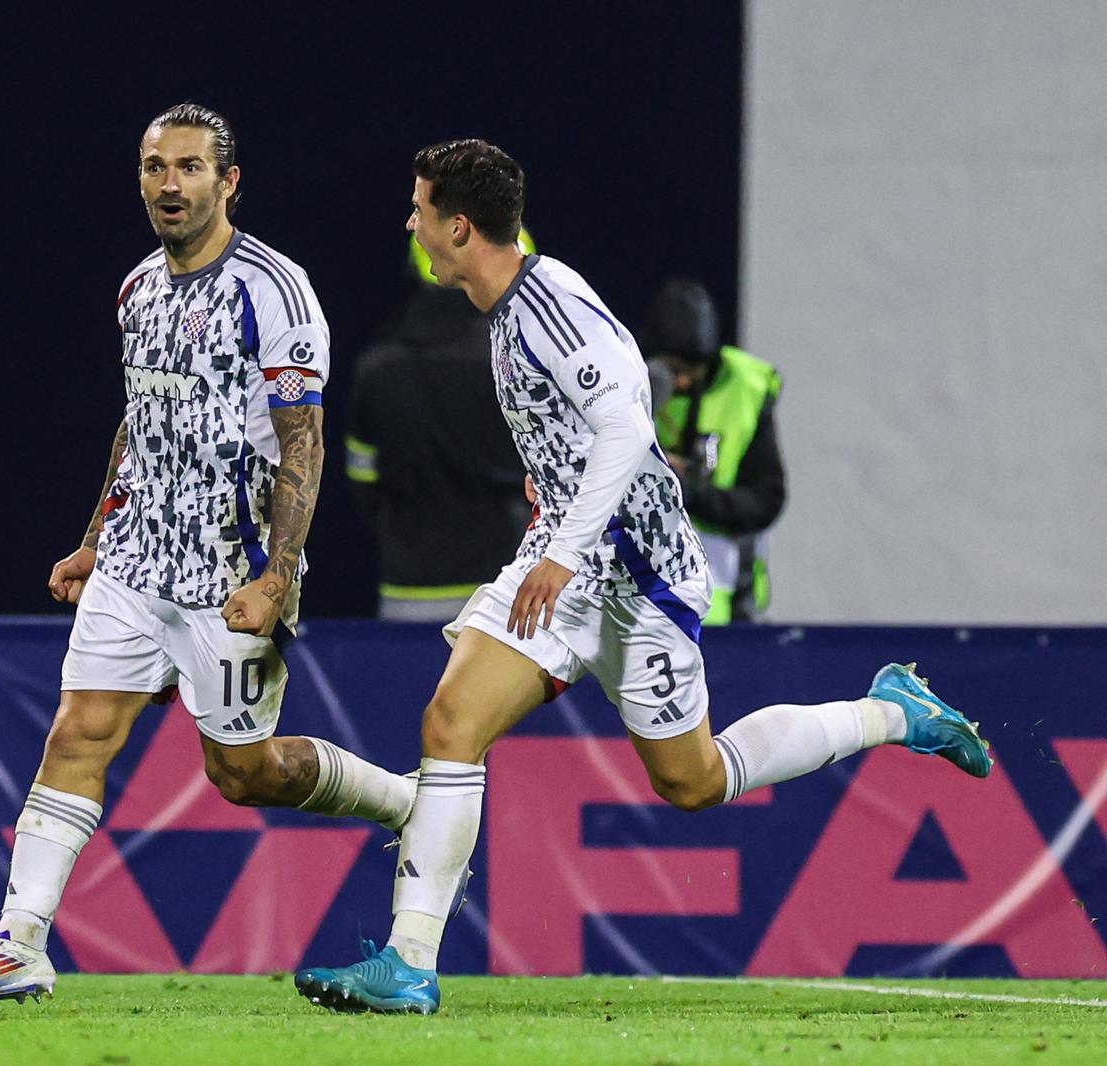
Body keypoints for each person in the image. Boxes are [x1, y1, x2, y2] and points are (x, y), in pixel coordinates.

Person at [293, 139, 992, 1016]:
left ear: (458, 226)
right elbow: (585, 435)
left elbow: (627, 430)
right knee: (451, 720)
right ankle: (409, 963)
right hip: (570, 562)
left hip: (641, 577)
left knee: (694, 781)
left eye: (420, 208)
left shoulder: (551, 307)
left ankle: (891, 711)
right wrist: (553, 511)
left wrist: (561, 547)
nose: (411, 222)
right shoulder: (504, 310)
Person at [0, 104, 416, 1008]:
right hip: (137, 560)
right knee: (78, 732)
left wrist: (277, 576)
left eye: (189, 168)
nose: (169, 185)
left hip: (231, 573)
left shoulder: (275, 290)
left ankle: (401, 803)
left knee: (242, 773)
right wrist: (92, 540)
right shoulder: (136, 289)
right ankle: (19, 943)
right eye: (154, 167)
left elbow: (302, 441)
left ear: (228, 182)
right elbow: (140, 422)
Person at [344, 233, 536, 621]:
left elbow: (362, 481)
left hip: (410, 590)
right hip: (508, 593)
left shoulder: (378, 368)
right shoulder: (519, 365)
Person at [639, 279, 785, 623]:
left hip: (721, 601)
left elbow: (764, 502)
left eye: (694, 371)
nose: (684, 383)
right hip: (637, 598)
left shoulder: (747, 390)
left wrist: (687, 489)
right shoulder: (624, 386)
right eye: (673, 371)